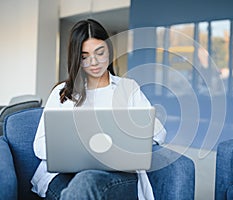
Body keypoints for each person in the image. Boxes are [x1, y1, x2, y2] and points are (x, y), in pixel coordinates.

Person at [31, 18, 166, 200]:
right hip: (62, 174)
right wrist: (79, 151)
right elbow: (39, 146)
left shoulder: (127, 88)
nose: (93, 62)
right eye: (85, 56)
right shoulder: (62, 93)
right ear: (76, 58)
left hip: (115, 175)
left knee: (86, 182)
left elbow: (158, 132)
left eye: (99, 53)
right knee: (78, 187)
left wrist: (128, 137)